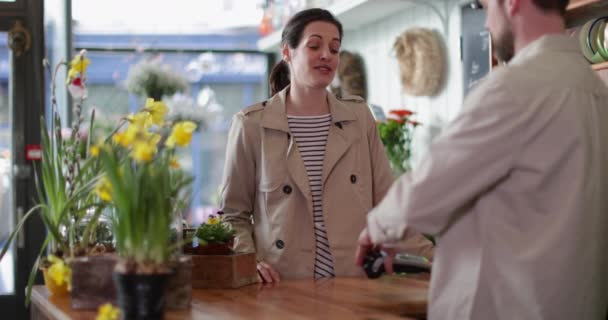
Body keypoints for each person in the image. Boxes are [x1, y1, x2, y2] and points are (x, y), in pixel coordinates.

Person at [356, 0, 608, 318]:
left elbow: (429, 188)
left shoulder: (514, 88)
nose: (487, 21)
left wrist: (376, 228)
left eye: (485, 5)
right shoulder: (596, 91)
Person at [220, 8, 434, 283]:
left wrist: (443, 260)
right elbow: (233, 215)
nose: (327, 55)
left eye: (334, 48)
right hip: (281, 289)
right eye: (314, 45)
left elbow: (387, 207)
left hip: (353, 287)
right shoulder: (251, 125)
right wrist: (249, 263)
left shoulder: (359, 118)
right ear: (287, 52)